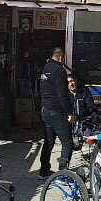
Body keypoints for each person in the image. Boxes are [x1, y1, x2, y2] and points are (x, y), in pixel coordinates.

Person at [38, 47, 74, 179]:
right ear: (60, 57)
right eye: (63, 58)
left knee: (48, 142)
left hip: (45, 110)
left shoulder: (46, 68)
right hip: (56, 111)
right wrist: (69, 112)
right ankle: (63, 174)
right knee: (67, 142)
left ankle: (43, 171)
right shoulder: (59, 70)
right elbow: (62, 93)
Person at [69, 75, 99, 144]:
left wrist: (79, 115)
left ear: (76, 80)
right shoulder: (64, 94)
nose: (71, 84)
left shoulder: (84, 91)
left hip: (85, 122)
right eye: (68, 82)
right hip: (69, 123)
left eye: (72, 81)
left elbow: (91, 107)